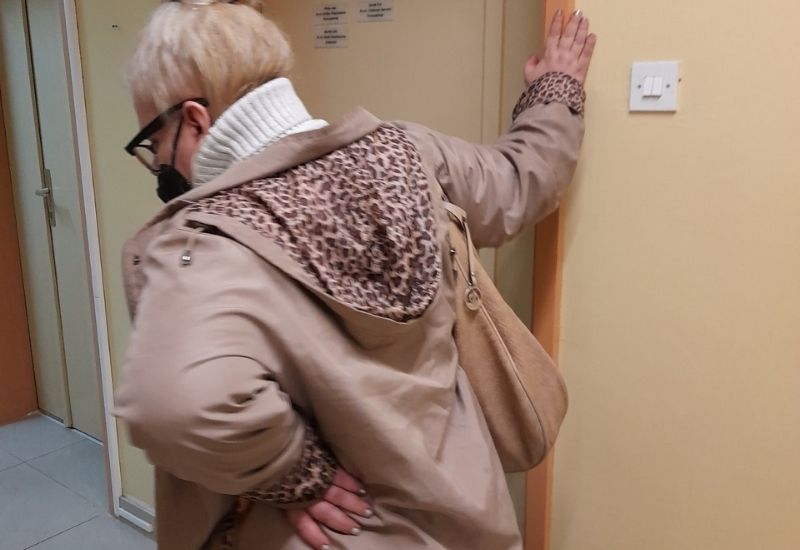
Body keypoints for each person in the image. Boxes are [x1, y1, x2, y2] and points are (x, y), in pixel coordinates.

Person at [115, 1, 596, 549]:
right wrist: (555, 90)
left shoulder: (202, 246)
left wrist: (295, 473)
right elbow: (517, 180)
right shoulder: (408, 153)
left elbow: (175, 407)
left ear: (196, 121)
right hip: (463, 516)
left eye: (154, 143)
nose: (158, 164)